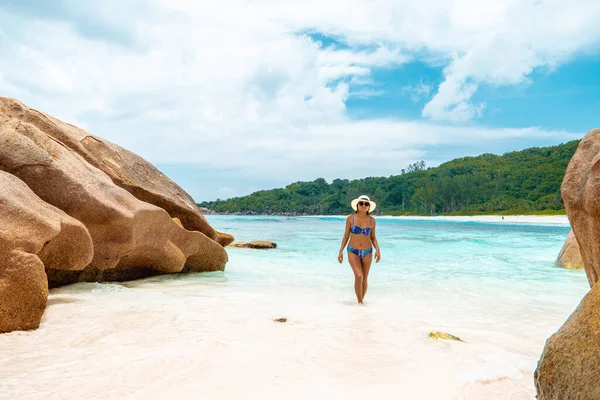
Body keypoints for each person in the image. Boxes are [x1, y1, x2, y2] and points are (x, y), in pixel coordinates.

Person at [337, 195, 381, 304]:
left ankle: (361, 302)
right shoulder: (350, 218)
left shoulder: (372, 220)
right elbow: (346, 236)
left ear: (369, 207)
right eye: (361, 203)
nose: (363, 205)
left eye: (366, 204)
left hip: (368, 251)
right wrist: (340, 251)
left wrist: (378, 250)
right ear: (357, 205)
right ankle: (360, 302)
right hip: (353, 251)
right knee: (359, 276)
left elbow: (373, 237)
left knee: (365, 278)